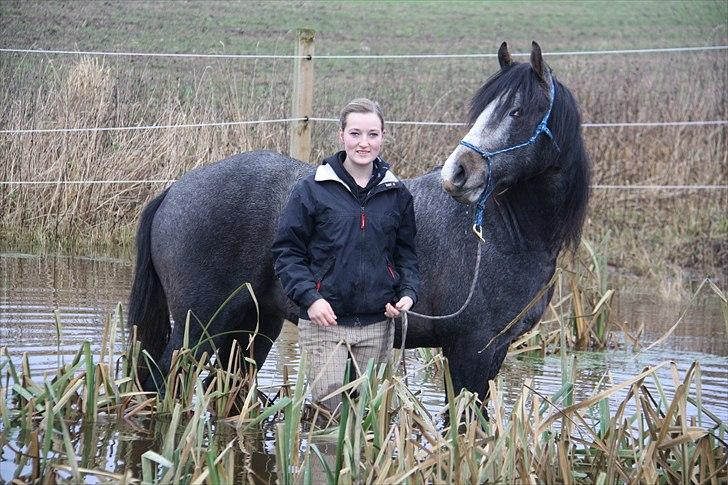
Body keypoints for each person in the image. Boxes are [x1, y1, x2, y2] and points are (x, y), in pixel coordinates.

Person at [272, 98, 421, 412]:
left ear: (383, 137)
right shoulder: (311, 190)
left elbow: (406, 254)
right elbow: (287, 253)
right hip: (325, 325)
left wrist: (407, 292)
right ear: (341, 136)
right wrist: (311, 299)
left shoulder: (398, 194)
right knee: (330, 419)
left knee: (370, 417)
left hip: (378, 327)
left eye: (372, 134)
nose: (363, 143)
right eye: (355, 134)